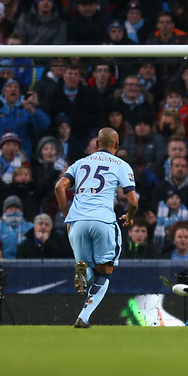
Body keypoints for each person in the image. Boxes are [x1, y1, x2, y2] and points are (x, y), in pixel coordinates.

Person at [54, 128, 138, 329]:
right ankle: (83, 317)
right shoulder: (121, 165)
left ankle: (85, 274)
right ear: (116, 145)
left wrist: (68, 216)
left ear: (97, 144)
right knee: (105, 272)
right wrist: (130, 216)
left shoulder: (80, 163)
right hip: (103, 220)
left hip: (77, 223)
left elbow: (59, 187)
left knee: (88, 268)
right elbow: (133, 202)